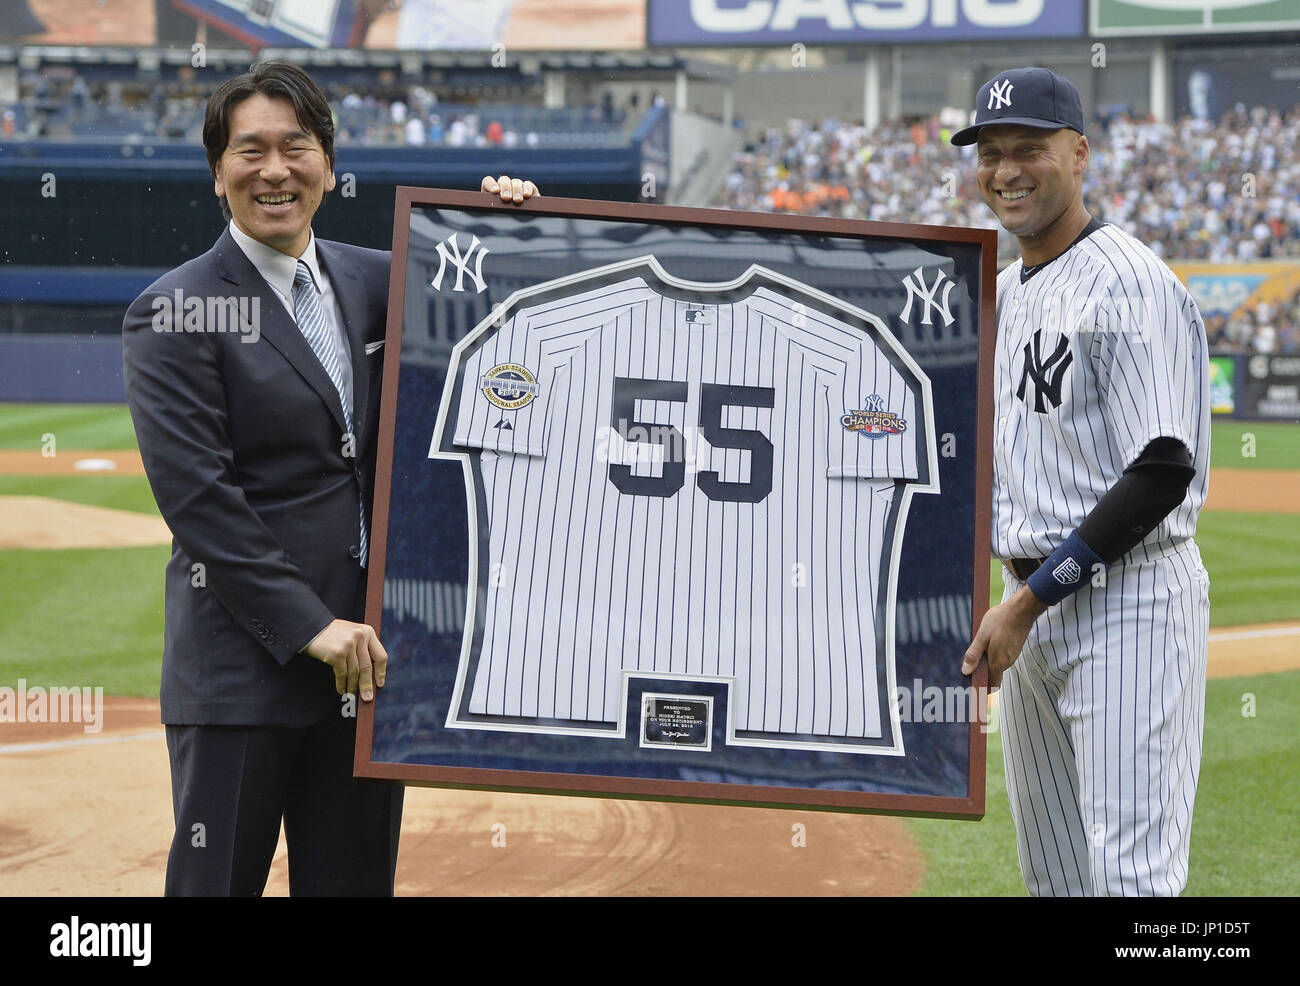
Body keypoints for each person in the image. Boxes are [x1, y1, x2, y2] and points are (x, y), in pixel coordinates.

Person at [122, 59, 538, 896]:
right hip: (243, 671)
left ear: (330, 167)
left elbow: (505, 316)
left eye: (296, 147)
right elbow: (201, 500)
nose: (274, 170)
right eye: (249, 151)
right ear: (217, 174)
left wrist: (510, 224)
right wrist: (313, 627)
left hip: (371, 669)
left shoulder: (381, 280)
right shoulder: (177, 309)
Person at [954, 67, 1211, 896]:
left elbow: (1164, 468)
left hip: (1126, 607)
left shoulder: (1128, 282)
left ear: (1079, 153)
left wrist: (1028, 604)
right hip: (1024, 609)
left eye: (1029, 149)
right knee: (1057, 878)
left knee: (1131, 881)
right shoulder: (1000, 292)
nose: (1006, 171)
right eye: (990, 154)